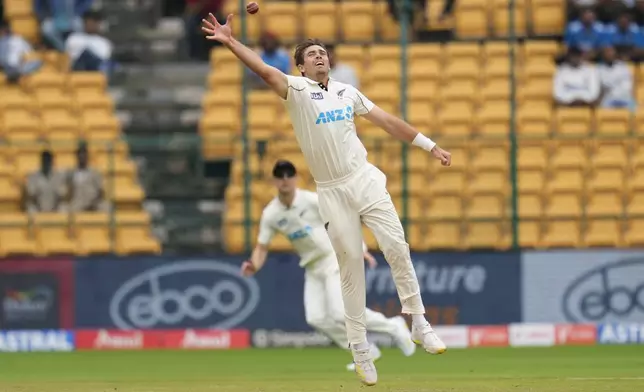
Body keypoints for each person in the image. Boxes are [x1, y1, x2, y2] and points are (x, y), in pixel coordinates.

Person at [202, 14, 450, 386]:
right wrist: (231, 42)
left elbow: (388, 121)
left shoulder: (347, 92)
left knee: (397, 244)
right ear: (301, 66)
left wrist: (429, 146)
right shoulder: (297, 92)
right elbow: (266, 71)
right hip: (331, 190)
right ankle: (360, 349)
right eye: (312, 55)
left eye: (323, 53)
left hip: (364, 179)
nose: (320, 57)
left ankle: (419, 321)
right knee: (350, 266)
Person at [241, 160, 417, 372]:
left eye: (289, 175)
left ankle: (394, 327)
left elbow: (343, 219)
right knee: (316, 318)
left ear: (296, 178)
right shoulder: (272, 214)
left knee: (338, 312)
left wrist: (359, 247)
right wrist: (254, 265)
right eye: (280, 176)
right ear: (274, 181)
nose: (285, 180)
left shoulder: (312, 200)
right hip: (312, 267)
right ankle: (367, 349)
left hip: (333, 258)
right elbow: (261, 247)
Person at [65, 11, 113, 75]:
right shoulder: (74, 38)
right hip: (77, 70)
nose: (91, 25)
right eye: (89, 22)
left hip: (95, 70)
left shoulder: (105, 43)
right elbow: (70, 58)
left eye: (94, 23)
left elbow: (103, 61)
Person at [68, 143, 106, 212]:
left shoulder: (94, 173)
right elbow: (69, 192)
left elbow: (101, 191)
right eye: (80, 155)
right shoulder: (72, 174)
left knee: (106, 207)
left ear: (87, 156)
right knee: (64, 208)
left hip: (93, 203)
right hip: (77, 204)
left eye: (84, 155)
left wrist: (93, 202)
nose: (82, 157)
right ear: (77, 157)